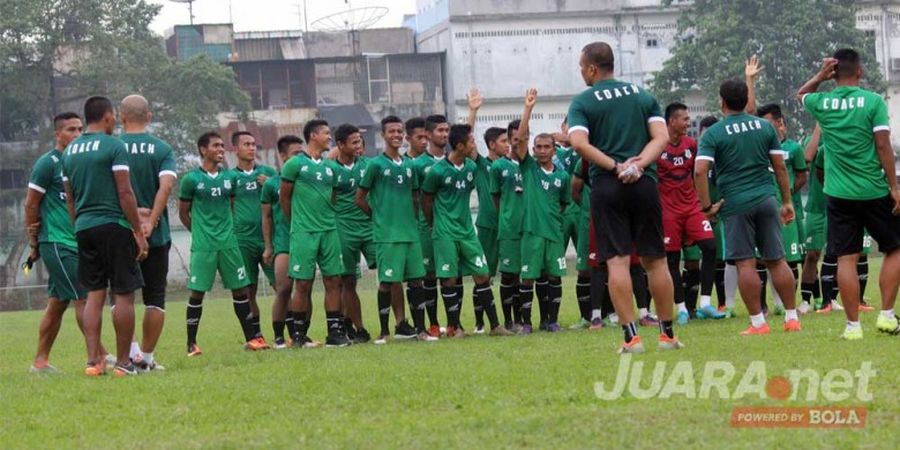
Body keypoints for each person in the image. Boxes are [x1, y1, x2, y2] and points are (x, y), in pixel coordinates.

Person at [567, 42, 683, 353]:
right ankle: (668, 335)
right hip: (643, 183)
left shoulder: (583, 101)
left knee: (617, 262)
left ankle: (631, 338)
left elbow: (578, 143)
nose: (581, 73)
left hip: (607, 185)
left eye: (582, 67)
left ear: (592, 68)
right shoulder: (643, 96)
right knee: (656, 261)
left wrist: (615, 166)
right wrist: (638, 165)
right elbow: (661, 138)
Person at [798, 48, 900, 338]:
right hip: (872, 189)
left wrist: (819, 77)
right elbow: (883, 147)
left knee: (845, 258)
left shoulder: (823, 102)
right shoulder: (873, 102)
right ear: (860, 71)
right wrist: (894, 187)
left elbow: (801, 94)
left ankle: (853, 327)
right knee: (895, 248)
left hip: (838, 193)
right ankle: (887, 315)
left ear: (833, 74)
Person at [694, 79, 800, 336]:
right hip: (766, 198)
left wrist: (707, 206)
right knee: (777, 260)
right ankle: (792, 318)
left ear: (722, 102)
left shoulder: (714, 133)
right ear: (745, 100)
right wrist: (786, 201)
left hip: (736, 204)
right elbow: (780, 167)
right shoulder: (765, 127)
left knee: (745, 264)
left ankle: (758, 324)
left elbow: (699, 171)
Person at [62, 96, 148, 376]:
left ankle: (93, 362)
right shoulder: (114, 145)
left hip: (84, 227)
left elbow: (70, 200)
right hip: (114, 225)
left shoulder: (70, 151)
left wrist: (78, 226)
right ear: (108, 117)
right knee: (123, 295)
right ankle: (123, 363)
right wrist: (138, 230)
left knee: (93, 295)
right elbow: (125, 192)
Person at [26, 112, 112, 373]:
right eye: (70, 130)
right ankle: (101, 356)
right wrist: (34, 241)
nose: (76, 134)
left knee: (57, 303)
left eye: (79, 129)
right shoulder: (47, 163)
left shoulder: (77, 161)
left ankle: (40, 362)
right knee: (83, 297)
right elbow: (31, 203)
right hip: (56, 241)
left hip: (76, 241)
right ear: (58, 134)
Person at [422, 123, 512, 337]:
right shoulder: (437, 171)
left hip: (467, 232)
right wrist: (435, 224)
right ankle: (454, 328)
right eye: (471, 141)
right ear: (460, 146)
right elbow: (426, 200)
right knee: (450, 279)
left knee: (482, 274)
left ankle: (495, 326)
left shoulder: (471, 168)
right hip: (445, 232)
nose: (474, 145)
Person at [180, 132, 261, 356]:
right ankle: (191, 343)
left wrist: (226, 232)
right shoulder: (191, 180)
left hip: (229, 244)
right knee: (197, 293)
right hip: (204, 245)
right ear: (203, 150)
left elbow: (232, 206)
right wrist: (200, 233)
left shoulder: (230, 178)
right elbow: (184, 213)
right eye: (216, 145)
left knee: (240, 289)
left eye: (223, 146)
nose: (221, 149)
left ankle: (251, 339)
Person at [357, 116, 433, 344]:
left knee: (417, 281)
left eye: (400, 131)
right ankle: (384, 332)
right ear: (383, 135)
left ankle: (419, 329)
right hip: (387, 236)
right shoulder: (375, 165)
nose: (397, 135)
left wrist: (411, 218)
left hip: (410, 233)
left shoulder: (410, 165)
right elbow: (359, 198)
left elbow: (416, 197)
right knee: (387, 282)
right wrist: (378, 217)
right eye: (392, 131)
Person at [279, 119, 351, 347]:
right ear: (313, 135)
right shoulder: (294, 165)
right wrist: (298, 223)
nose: (330, 138)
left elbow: (333, 197)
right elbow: (285, 198)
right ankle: (298, 335)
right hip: (303, 232)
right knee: (302, 284)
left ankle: (334, 333)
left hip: (329, 231)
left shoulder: (331, 168)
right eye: (326, 133)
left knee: (334, 281)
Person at [119, 95, 177, 371]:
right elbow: (165, 187)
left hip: (120, 232)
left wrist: (133, 223)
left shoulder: (113, 146)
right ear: (149, 117)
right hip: (156, 235)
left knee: (122, 296)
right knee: (155, 298)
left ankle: (131, 354)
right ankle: (148, 359)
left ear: (121, 117)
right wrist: (151, 221)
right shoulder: (162, 148)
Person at [658, 102, 724, 324]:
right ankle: (682, 308)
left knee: (710, 247)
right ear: (672, 121)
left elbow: (699, 174)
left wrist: (706, 207)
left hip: (692, 208)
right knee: (672, 260)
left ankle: (705, 303)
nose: (688, 122)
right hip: (668, 212)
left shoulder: (692, 145)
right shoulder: (657, 146)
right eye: (685, 119)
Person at [513, 89, 572, 334]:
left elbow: (563, 203)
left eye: (547, 146)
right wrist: (528, 109)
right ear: (534, 150)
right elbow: (519, 140)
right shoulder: (529, 169)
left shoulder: (562, 176)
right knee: (528, 278)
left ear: (554, 149)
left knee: (554, 278)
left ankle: (551, 320)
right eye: (538, 147)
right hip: (532, 233)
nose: (543, 150)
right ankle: (526, 322)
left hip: (554, 234)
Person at [757, 103, 808, 314]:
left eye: (767, 122)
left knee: (789, 258)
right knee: (760, 259)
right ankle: (762, 307)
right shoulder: (758, 146)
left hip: (785, 210)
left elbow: (801, 175)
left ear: (779, 122)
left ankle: (788, 304)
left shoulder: (793, 148)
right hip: (763, 206)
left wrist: (787, 194)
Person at [230, 131, 277, 347]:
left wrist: (270, 184)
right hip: (243, 241)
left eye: (253, 144)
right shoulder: (231, 178)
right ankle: (256, 335)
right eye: (246, 144)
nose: (251, 148)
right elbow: (228, 206)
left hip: (269, 239)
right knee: (249, 291)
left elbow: (282, 197)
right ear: (236, 149)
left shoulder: (268, 173)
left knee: (282, 286)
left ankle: (288, 333)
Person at [332, 124, 375, 343]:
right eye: (354, 142)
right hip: (344, 230)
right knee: (347, 281)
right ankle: (358, 328)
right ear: (340, 145)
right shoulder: (331, 170)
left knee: (390, 276)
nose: (359, 146)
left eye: (360, 141)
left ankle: (396, 324)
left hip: (371, 227)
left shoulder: (369, 165)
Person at [261, 135, 303, 348]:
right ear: (283, 155)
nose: (300, 157)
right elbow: (266, 217)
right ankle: (278, 336)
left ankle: (300, 335)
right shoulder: (271, 184)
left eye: (301, 153)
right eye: (296, 153)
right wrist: (268, 246)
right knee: (284, 289)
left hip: (305, 239)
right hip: (283, 242)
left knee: (304, 288)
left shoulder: (307, 178)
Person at [413, 114, 452, 336]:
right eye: (440, 130)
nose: (444, 134)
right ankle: (434, 324)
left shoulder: (453, 163)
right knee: (428, 276)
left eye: (447, 130)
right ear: (428, 135)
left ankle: (454, 324)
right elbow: (414, 198)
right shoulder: (418, 165)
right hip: (426, 229)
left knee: (451, 276)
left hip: (450, 228)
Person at [492, 120, 526, 332]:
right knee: (509, 275)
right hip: (509, 228)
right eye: (514, 139)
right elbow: (496, 197)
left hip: (530, 228)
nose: (517, 143)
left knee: (527, 275)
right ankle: (509, 320)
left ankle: (525, 319)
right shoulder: (498, 167)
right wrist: (506, 217)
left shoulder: (532, 164)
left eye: (522, 138)